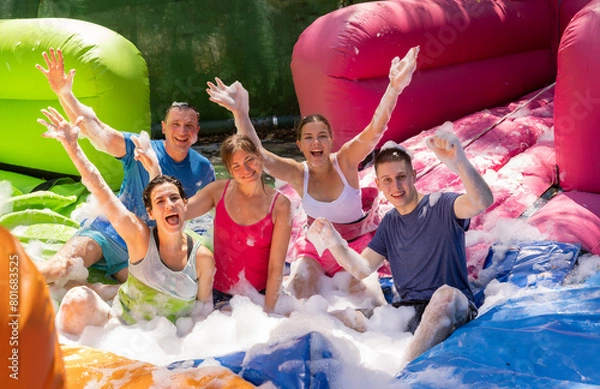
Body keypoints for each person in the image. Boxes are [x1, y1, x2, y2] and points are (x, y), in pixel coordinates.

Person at [206, 47, 419, 300]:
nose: (315, 142)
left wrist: (393, 88)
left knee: (366, 304)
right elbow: (259, 155)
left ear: (331, 141)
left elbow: (375, 129)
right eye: (308, 138)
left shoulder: (346, 160)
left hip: (354, 247)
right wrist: (240, 113)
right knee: (297, 295)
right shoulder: (298, 173)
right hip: (315, 249)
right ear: (300, 146)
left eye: (321, 137)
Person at [35, 48, 215, 290]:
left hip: (147, 248)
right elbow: (97, 131)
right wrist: (65, 94)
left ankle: (94, 292)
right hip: (110, 232)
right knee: (60, 268)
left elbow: (197, 222)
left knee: (147, 299)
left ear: (197, 131)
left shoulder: (203, 169)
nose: (182, 131)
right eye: (176, 124)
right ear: (163, 127)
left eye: (189, 126)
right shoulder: (141, 147)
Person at [307, 130, 494, 363]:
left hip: (452, 308)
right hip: (407, 313)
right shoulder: (390, 223)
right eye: (387, 180)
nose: (396, 186)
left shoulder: (442, 205)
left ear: (414, 175)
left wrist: (459, 162)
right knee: (332, 318)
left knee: (446, 295)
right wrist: (333, 241)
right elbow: (362, 269)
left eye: (401, 176)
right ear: (378, 184)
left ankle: (402, 373)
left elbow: (482, 200)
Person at [38, 109, 215, 336]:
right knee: (77, 302)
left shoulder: (201, 258)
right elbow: (100, 189)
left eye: (174, 199)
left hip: (167, 343)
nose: (169, 205)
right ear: (150, 214)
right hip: (122, 332)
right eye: (160, 202)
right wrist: (72, 146)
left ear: (185, 204)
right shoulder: (139, 237)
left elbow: (204, 316)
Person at [138, 134, 292, 314]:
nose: (246, 169)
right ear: (229, 170)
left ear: (259, 156)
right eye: (236, 166)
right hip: (217, 292)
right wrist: (155, 171)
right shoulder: (218, 191)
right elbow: (174, 213)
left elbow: (276, 268)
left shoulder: (280, 205)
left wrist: (268, 313)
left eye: (249, 160)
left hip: (259, 296)